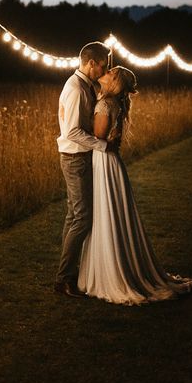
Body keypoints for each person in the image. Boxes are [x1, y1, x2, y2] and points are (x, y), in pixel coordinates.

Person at [77, 65, 192, 305]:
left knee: (105, 213)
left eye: (110, 72)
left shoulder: (105, 104)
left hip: (104, 161)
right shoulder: (114, 103)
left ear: (115, 82)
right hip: (110, 163)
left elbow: (98, 139)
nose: (106, 71)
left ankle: (112, 272)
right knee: (110, 214)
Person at [54, 41, 111, 297]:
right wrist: (101, 145)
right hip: (75, 158)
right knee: (82, 218)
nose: (105, 69)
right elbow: (72, 131)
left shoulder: (83, 86)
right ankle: (64, 279)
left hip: (77, 156)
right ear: (91, 63)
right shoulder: (76, 88)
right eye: (103, 64)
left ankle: (67, 273)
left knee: (73, 216)